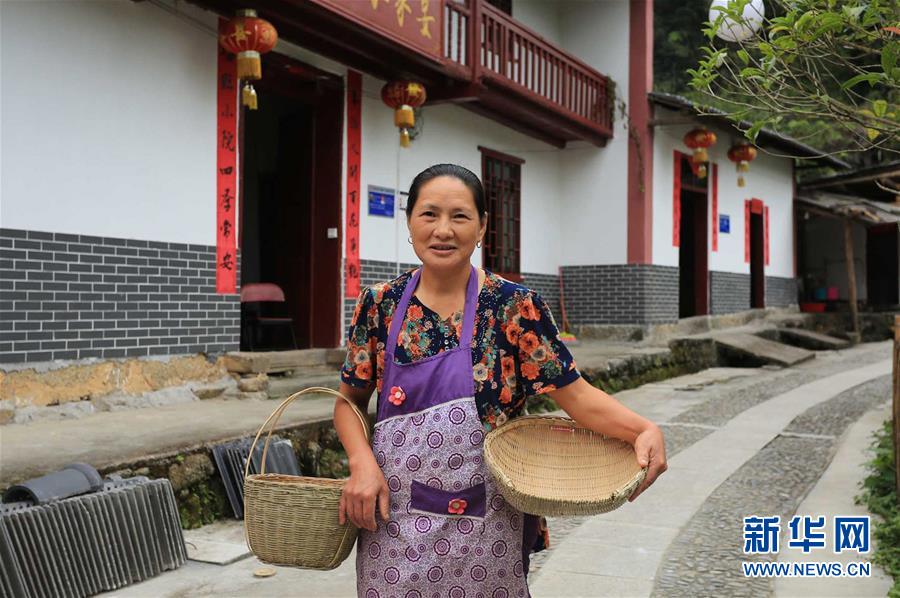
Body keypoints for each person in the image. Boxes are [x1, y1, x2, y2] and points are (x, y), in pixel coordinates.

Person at [334, 163, 667, 597]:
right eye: (429, 214)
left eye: (460, 216)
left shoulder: (515, 308)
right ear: (410, 223)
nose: (443, 230)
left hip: (490, 521)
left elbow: (577, 397)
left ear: (482, 227)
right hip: (392, 519)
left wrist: (643, 429)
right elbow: (348, 402)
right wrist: (361, 463)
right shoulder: (379, 305)